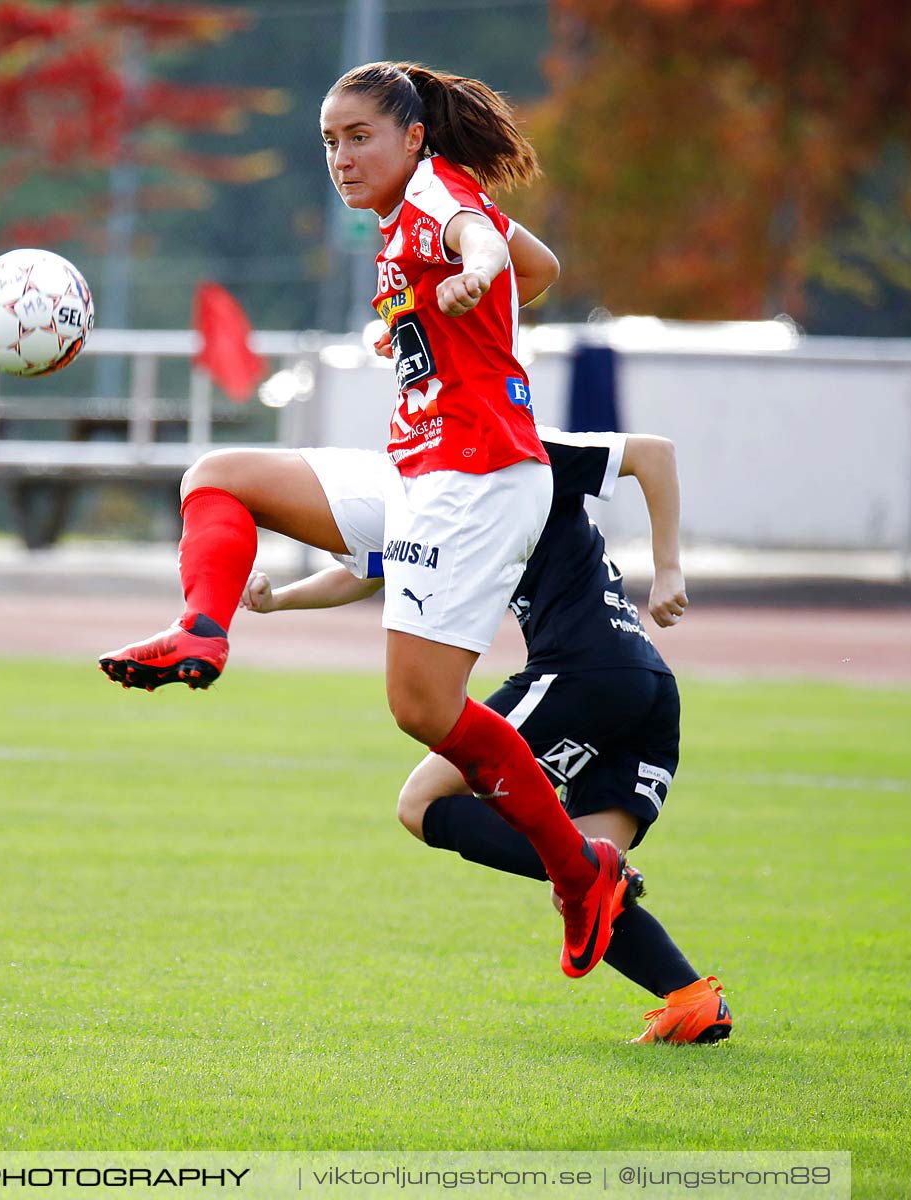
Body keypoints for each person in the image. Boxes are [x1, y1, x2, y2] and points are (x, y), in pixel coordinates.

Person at [100, 61, 631, 979]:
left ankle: (581, 873)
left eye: (359, 138)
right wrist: (452, 305)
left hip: (480, 478)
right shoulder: (399, 223)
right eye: (329, 145)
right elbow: (535, 265)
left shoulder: (435, 193)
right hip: (421, 469)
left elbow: (490, 247)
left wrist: (472, 274)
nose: (342, 159)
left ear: (414, 137)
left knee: (421, 709)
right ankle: (201, 633)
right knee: (218, 474)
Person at [241, 429, 731, 1044]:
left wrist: (667, 570)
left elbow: (655, 452)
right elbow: (376, 569)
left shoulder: (523, 446)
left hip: (579, 673)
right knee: (584, 896)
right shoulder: (447, 477)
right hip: (649, 689)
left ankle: (589, 870)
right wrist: (277, 600)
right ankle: (690, 1000)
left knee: (422, 804)